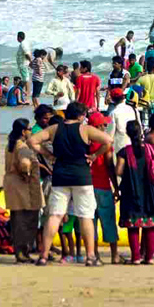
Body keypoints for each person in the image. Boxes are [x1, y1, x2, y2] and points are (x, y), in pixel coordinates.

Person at [30, 102, 113, 266]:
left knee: (55, 215)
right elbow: (108, 140)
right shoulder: (85, 129)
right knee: (85, 216)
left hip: (60, 176)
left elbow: (32, 141)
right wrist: (94, 156)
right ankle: (90, 256)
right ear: (81, 116)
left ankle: (43, 256)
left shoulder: (54, 129)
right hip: (81, 176)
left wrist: (49, 155)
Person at [115, 119, 154, 265]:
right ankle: (149, 257)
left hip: (131, 191)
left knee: (133, 226)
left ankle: (136, 257)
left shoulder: (124, 152)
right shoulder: (150, 149)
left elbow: (118, 171)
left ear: (127, 133)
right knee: (150, 224)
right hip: (150, 191)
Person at [3, 118, 44, 263]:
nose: (31, 131)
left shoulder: (11, 144)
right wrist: (26, 174)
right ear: (23, 131)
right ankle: (23, 252)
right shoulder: (22, 147)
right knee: (27, 220)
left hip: (12, 185)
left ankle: (19, 252)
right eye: (29, 129)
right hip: (24, 187)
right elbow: (25, 163)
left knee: (17, 220)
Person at [87, 111, 120, 264]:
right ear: (98, 126)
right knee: (108, 221)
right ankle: (114, 255)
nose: (106, 127)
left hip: (87, 187)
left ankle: (95, 254)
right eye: (103, 124)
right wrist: (116, 187)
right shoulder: (105, 143)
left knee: (91, 222)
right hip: (103, 186)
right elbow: (109, 165)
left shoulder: (85, 143)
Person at [15, 31, 33, 102]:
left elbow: (27, 54)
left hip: (23, 65)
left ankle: (27, 97)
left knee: (26, 80)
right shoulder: (25, 43)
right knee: (26, 79)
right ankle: (25, 96)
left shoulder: (23, 44)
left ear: (18, 37)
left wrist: (31, 62)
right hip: (24, 64)